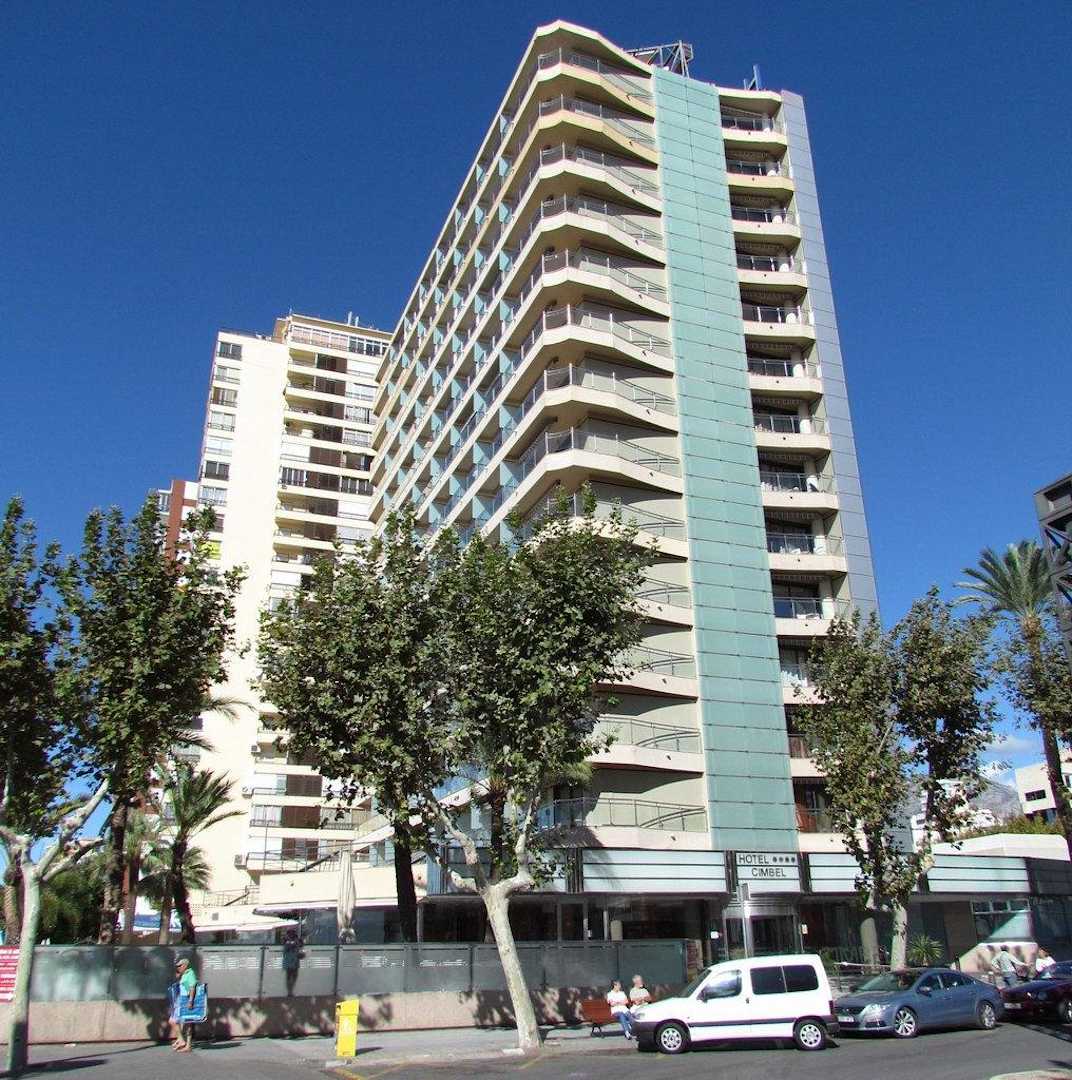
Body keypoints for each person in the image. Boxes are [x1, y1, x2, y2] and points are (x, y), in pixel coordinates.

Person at [172, 958, 198, 1052]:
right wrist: (178, 975)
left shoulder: (190, 974)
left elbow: (192, 987)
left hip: (188, 1000)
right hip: (183, 1000)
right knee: (186, 1022)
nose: (178, 967)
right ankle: (185, 1043)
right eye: (177, 966)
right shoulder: (185, 974)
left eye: (180, 966)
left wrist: (190, 1001)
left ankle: (186, 1044)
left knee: (186, 1022)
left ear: (185, 965)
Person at [282, 929, 303, 996]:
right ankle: (289, 992)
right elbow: (288, 947)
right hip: (289, 960)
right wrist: (295, 943)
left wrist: (299, 942)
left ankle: (290, 991)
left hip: (294, 960)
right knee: (290, 976)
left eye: (293, 933)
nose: (292, 935)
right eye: (291, 933)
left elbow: (301, 945)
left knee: (293, 976)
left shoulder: (296, 939)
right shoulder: (286, 940)